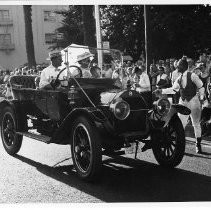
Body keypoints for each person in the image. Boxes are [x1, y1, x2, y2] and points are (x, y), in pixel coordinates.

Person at [155, 59, 205, 153]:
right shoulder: (179, 78)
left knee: (196, 124)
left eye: (179, 65)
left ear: (184, 66)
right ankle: (179, 146)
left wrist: (201, 99)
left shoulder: (193, 75)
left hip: (194, 102)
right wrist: (161, 91)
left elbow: (201, 87)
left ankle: (198, 145)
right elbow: (174, 90)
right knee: (180, 124)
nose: (177, 67)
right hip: (183, 102)